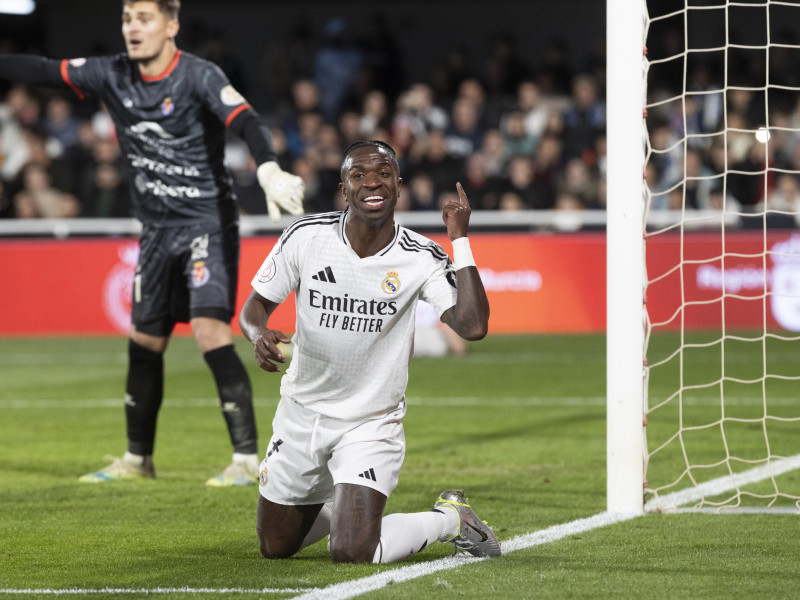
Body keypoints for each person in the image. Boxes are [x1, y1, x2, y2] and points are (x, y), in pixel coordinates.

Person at [0, 0, 305, 486]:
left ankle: (247, 460)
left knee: (209, 331)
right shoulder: (112, 73)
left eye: (144, 18)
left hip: (207, 221)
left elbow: (246, 121)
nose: (133, 28)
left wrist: (266, 166)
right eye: (126, 19)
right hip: (156, 230)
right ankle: (138, 460)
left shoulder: (198, 76)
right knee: (145, 341)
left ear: (171, 25)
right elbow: (40, 70)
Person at [238, 140, 500, 563]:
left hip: (370, 422)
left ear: (398, 185)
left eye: (383, 173)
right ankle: (345, 511)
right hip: (301, 413)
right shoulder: (306, 237)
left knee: (352, 551)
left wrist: (460, 239)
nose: (371, 183)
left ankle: (450, 519)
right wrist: (257, 334)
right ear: (344, 189)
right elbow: (254, 307)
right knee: (276, 546)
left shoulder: (420, 257)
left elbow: (473, 326)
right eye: (358, 175)